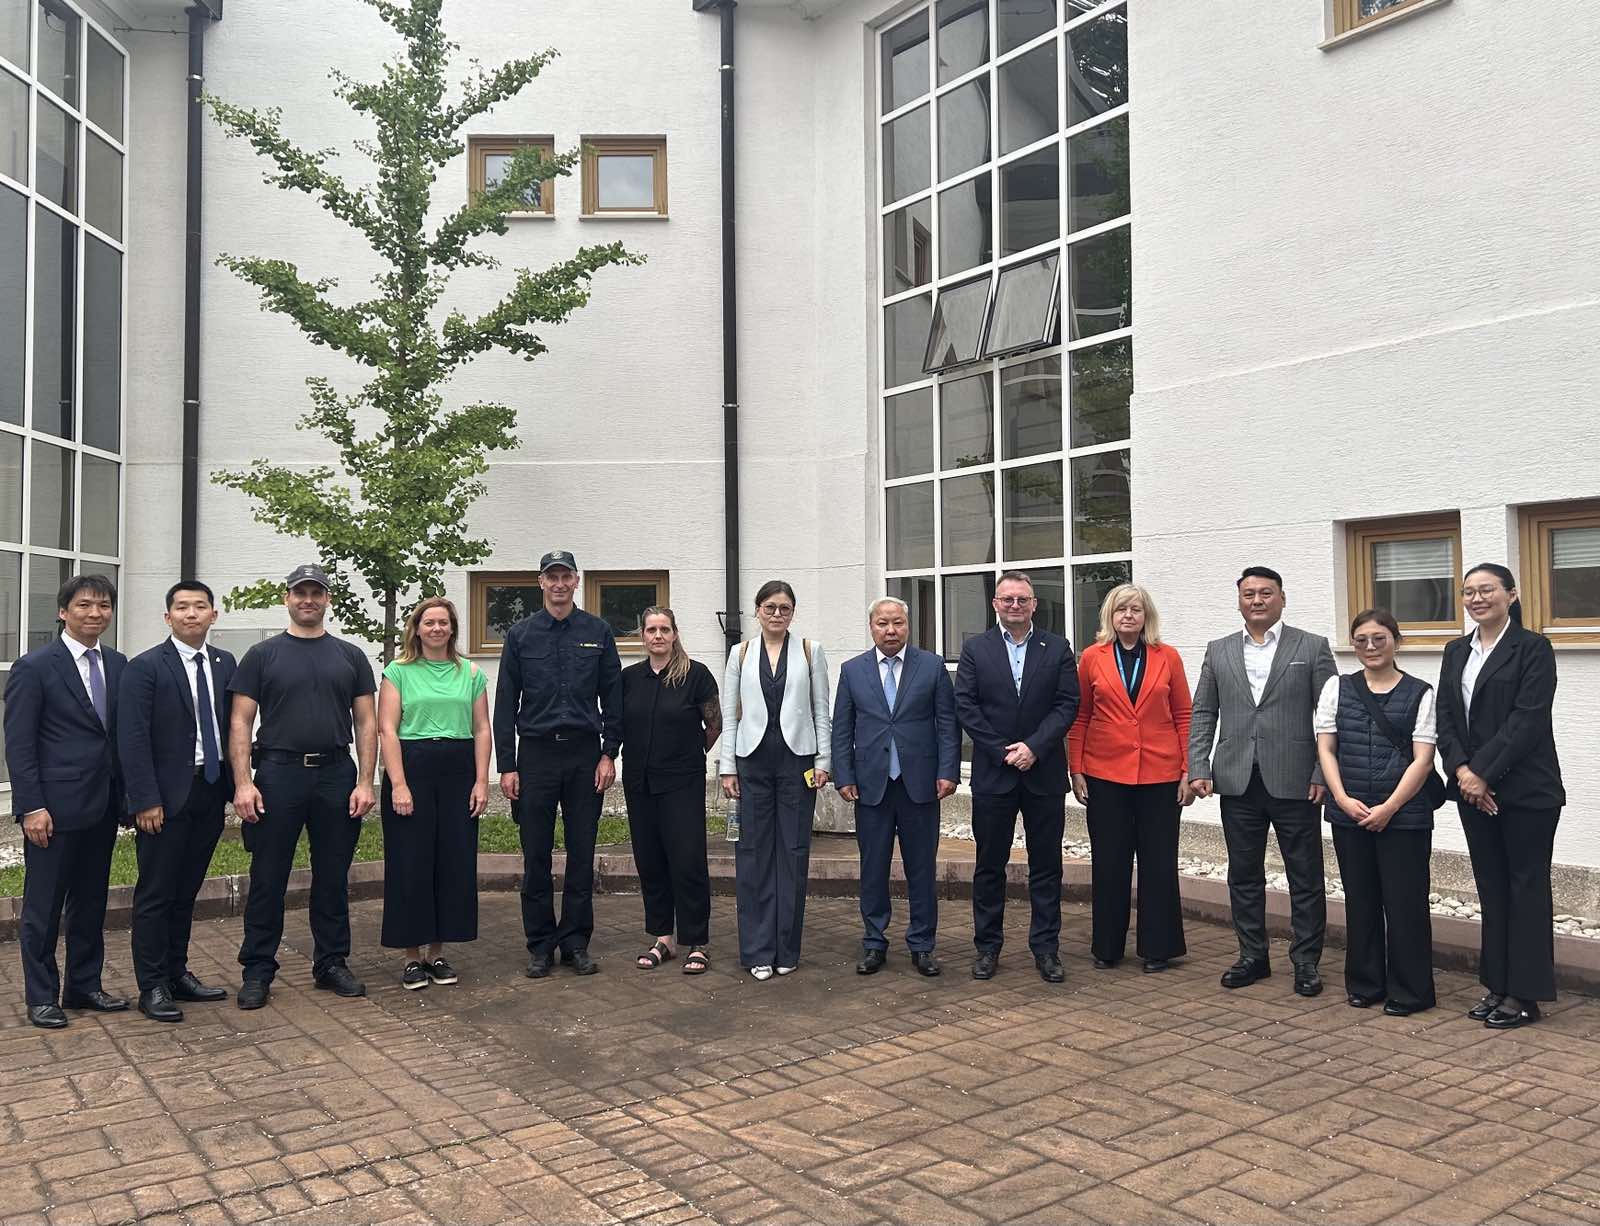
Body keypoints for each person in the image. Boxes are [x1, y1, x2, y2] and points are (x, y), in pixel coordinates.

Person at [229, 564, 377, 1009]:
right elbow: (240, 721)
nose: (308, 600)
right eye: (300, 593)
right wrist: (243, 783)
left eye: (316, 592)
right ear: (287, 598)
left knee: (332, 876)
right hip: (279, 774)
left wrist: (365, 781)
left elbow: (366, 723)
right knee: (268, 877)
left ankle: (331, 962)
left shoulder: (350, 656)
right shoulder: (262, 656)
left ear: (327, 599)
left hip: (336, 774)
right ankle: (257, 969)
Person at [1189, 566, 1337, 997]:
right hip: (1237, 779)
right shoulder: (1218, 650)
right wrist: (1198, 765)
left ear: (1282, 598)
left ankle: (1305, 961)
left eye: (1266, 593)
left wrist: (1321, 772)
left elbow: (1330, 715)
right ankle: (1252, 956)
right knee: (1244, 874)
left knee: (1305, 875)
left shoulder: (1311, 647)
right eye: (1249, 593)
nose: (1257, 600)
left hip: (1296, 780)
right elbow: (1204, 712)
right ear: (1239, 600)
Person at [1436, 563, 1565, 1030]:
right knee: (1491, 889)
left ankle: (1525, 995)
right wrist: (1462, 771)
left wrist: (1482, 774)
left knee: (1525, 890)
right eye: (1468, 591)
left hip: (1527, 791)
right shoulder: (1456, 651)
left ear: (1511, 594)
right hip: (1473, 790)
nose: (1477, 598)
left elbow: (1527, 720)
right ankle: (1497, 984)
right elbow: (1446, 718)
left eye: (1486, 589)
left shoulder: (1533, 648)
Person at [3, 574, 128, 1029]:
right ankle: (41, 996)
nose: (95, 613)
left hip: (102, 805)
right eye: (84, 605)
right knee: (44, 906)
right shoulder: (35, 667)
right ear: (63, 612)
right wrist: (31, 806)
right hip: (52, 810)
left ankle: (83, 985)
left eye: (103, 605)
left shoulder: (118, 664)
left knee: (91, 901)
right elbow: (19, 745)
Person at [494, 551, 622, 979]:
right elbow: (505, 703)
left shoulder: (598, 632)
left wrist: (609, 753)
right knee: (536, 855)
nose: (560, 583)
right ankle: (540, 944)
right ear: (541, 582)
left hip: (585, 756)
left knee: (582, 854)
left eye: (566, 576)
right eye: (552, 577)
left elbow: (614, 698)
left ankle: (575, 943)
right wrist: (507, 765)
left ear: (576, 581)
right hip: (536, 756)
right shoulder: (520, 635)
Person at [116, 581, 236, 1022]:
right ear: (168, 617)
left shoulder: (225, 663)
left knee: (187, 890)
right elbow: (131, 738)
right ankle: (152, 985)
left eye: (199, 606)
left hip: (210, 790)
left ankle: (176, 972)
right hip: (163, 800)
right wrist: (144, 799)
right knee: (156, 893)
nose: (191, 614)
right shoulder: (145, 667)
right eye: (182, 607)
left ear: (213, 615)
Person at [954, 570, 1080, 983]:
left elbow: (1067, 704)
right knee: (990, 866)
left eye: (1022, 599)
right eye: (1007, 599)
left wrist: (1034, 747)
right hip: (995, 774)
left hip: (1042, 773)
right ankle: (987, 947)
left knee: (1046, 866)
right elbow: (966, 705)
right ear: (995, 604)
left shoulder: (1057, 647)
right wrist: (1002, 751)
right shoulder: (976, 649)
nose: (1015, 605)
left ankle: (1046, 949)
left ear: (1034, 604)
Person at [1314, 608, 1439, 1016]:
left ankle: (1411, 991)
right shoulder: (1337, 687)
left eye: (1379, 639)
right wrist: (1341, 798)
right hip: (1350, 812)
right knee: (1361, 900)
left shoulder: (1420, 692)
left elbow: (1423, 759)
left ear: (1396, 642)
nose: (1370, 647)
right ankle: (1365, 983)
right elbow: (1326, 748)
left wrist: (1390, 807)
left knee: (1406, 904)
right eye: (1361, 640)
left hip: (1405, 816)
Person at [1068, 583, 1192, 974]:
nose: (1128, 615)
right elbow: (1081, 716)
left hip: (1160, 774)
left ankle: (1159, 948)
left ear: (1146, 616)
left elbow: (1184, 714)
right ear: (1110, 615)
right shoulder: (1092, 657)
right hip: (1105, 774)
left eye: (1136, 609)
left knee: (1159, 862)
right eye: (1121, 609)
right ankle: (1107, 946)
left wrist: (1188, 770)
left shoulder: (1168, 656)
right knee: (1109, 862)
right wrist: (1076, 768)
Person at [832, 596, 959, 977]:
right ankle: (874, 942)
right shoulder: (852, 671)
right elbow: (842, 728)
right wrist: (844, 775)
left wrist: (949, 771)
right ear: (871, 627)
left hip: (920, 784)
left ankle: (922, 945)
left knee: (922, 869)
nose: (891, 630)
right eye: (883, 623)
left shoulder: (932, 666)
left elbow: (947, 724)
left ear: (908, 625)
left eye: (898, 623)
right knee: (873, 868)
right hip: (871, 786)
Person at [719, 580, 831, 981]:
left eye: (784, 608)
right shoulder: (740, 653)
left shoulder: (810, 651)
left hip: (796, 763)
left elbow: (821, 710)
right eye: (770, 607)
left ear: (793, 612)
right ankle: (757, 951)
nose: (777, 614)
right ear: (757, 610)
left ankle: (787, 948)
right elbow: (730, 714)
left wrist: (824, 760)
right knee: (752, 855)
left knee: (793, 852)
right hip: (751, 763)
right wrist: (727, 767)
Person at [377, 597, 490, 991]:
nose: (437, 628)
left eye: (444, 622)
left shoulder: (471, 672)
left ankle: (437, 953)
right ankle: (411, 956)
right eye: (430, 622)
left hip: (459, 771)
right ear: (417, 628)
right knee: (410, 862)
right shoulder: (398, 672)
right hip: (413, 769)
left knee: (453, 861)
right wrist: (399, 783)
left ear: (452, 628)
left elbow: (482, 729)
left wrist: (481, 781)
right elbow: (387, 729)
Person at [619, 607, 720, 976]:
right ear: (642, 636)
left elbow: (714, 724)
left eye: (664, 629)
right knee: (651, 861)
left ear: (675, 634)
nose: (658, 636)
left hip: (682, 783)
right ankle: (663, 938)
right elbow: (619, 724)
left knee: (687, 861)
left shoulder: (696, 675)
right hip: (639, 783)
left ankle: (697, 941)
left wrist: (689, 754)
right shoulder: (630, 678)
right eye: (651, 630)